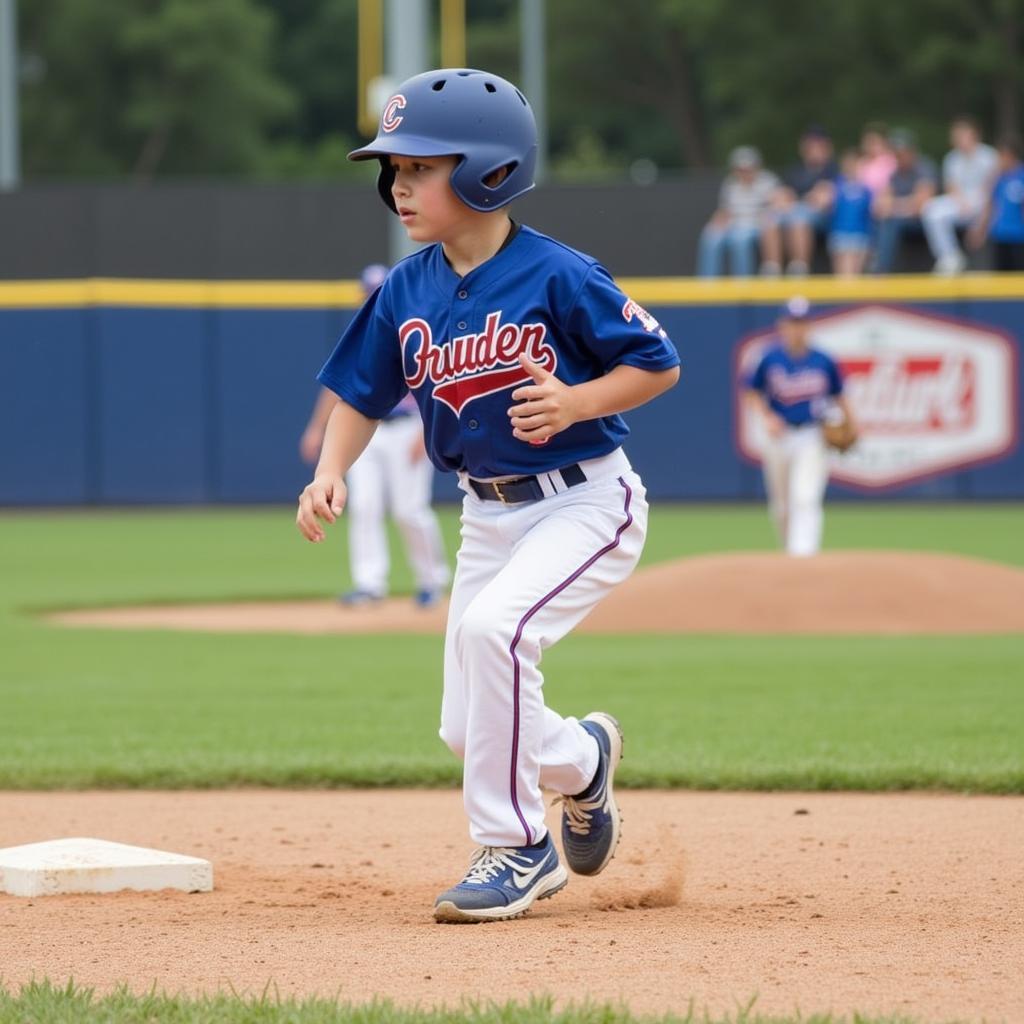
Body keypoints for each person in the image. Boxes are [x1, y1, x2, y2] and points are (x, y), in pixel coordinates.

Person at [295, 68, 680, 923]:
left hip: (584, 501)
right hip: (486, 510)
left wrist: (579, 400)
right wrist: (331, 471)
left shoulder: (559, 274)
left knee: (492, 632)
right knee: (468, 731)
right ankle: (581, 761)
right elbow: (361, 394)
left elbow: (658, 361)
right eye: (392, 168)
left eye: (420, 166)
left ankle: (517, 847)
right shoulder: (406, 287)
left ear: (490, 170)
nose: (399, 183)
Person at [299, 264, 450, 608]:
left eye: (374, 293)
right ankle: (369, 584)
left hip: (409, 426)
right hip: (367, 430)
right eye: (367, 294)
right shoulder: (363, 335)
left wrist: (428, 430)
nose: (370, 299)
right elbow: (338, 387)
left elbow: (439, 381)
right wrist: (316, 428)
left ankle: (431, 580)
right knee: (364, 506)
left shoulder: (418, 327)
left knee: (409, 510)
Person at [743, 296, 855, 558]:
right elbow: (751, 391)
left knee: (804, 497)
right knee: (781, 507)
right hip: (778, 437)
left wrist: (853, 422)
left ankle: (803, 558)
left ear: (809, 326)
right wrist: (766, 417)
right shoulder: (769, 357)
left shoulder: (824, 360)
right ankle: (791, 556)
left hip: (812, 434)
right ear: (782, 325)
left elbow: (840, 394)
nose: (797, 328)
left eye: (802, 323)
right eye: (792, 323)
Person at [921, 115, 998, 275]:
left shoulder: (990, 156)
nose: (959, 140)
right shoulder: (951, 158)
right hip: (962, 203)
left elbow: (992, 189)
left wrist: (981, 223)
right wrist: (961, 203)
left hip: (984, 202)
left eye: (962, 135)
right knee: (931, 209)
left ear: (974, 135)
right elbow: (952, 187)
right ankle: (950, 256)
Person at [762, 126, 838, 275]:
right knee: (770, 217)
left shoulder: (833, 169)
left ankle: (799, 267)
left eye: (818, 146)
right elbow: (783, 194)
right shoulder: (796, 169)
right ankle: (772, 268)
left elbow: (824, 199)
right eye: (810, 146)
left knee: (799, 215)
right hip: (794, 211)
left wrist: (799, 200)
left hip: (826, 218)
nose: (813, 150)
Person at [697, 145, 779, 277]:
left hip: (757, 225)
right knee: (711, 234)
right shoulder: (730, 184)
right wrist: (719, 220)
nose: (745, 172)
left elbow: (776, 206)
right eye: (741, 169)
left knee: (739, 239)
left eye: (748, 168)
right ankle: (707, 282)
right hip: (734, 224)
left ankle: (743, 283)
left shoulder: (768, 181)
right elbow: (724, 210)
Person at [870, 129, 938, 273]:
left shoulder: (924, 167)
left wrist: (894, 206)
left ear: (911, 151)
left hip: (923, 221)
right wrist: (899, 205)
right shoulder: (895, 172)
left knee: (890, 221)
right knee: (876, 217)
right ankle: (874, 264)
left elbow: (921, 203)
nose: (898, 156)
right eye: (896, 153)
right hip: (903, 218)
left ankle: (881, 270)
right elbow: (882, 203)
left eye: (901, 152)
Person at [967, 134, 1024, 272]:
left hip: (1019, 237)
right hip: (999, 235)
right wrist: (980, 230)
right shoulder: (998, 178)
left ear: (1009, 155)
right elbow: (991, 204)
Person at [827, 148, 874, 277]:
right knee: (842, 275)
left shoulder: (866, 189)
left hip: (860, 236)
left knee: (854, 274)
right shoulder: (836, 185)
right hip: (839, 235)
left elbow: (875, 210)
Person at [857, 121, 897, 194]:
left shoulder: (890, 161)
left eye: (873, 142)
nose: (870, 146)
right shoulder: (861, 162)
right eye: (867, 142)